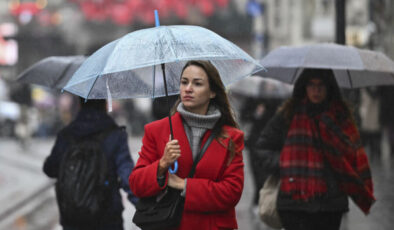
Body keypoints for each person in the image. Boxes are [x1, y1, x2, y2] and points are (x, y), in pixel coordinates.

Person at [253, 69, 375, 230]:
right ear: (304, 87)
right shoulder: (289, 114)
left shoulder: (340, 117)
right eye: (311, 85)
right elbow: (262, 147)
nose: (316, 90)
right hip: (293, 202)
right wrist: (285, 164)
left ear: (329, 88)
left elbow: (353, 154)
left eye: (321, 86)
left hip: (329, 203)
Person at [129, 60, 244, 230]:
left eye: (197, 83)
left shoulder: (231, 137)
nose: (188, 88)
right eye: (184, 82)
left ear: (212, 92)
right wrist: (162, 165)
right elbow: (136, 184)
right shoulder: (157, 130)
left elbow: (231, 192)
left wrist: (184, 185)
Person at [43, 98, 137, 230]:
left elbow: (49, 169)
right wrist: (144, 206)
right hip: (108, 217)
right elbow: (128, 176)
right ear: (105, 105)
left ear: (80, 104)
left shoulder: (66, 135)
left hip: (73, 218)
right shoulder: (116, 135)